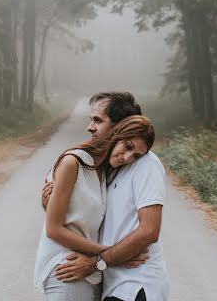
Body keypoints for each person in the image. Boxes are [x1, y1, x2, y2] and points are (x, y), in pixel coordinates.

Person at [46, 92, 169, 301]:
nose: (128, 157)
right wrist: (50, 195)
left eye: (135, 153)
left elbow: (149, 231)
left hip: (137, 284)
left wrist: (97, 262)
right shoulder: (107, 168)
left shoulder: (147, 164)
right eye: (128, 147)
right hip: (115, 285)